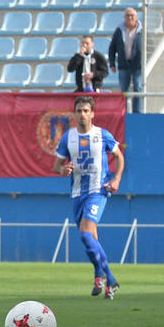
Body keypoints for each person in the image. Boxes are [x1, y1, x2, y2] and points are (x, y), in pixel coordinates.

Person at [52, 95, 124, 299]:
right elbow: (56, 165)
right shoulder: (68, 138)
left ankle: (110, 278)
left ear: (92, 113)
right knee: (90, 239)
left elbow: (119, 157)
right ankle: (98, 274)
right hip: (77, 193)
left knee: (85, 233)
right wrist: (62, 169)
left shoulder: (103, 135)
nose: (82, 114)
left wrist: (116, 179)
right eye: (79, 111)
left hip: (98, 191)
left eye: (86, 110)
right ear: (74, 114)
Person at [108, 8, 143, 113]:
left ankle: (137, 112)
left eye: (132, 15)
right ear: (124, 17)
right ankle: (125, 112)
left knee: (138, 88)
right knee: (124, 90)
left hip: (138, 65)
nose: (130, 17)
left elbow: (150, 48)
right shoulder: (119, 31)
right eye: (128, 15)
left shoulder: (142, 31)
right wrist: (112, 63)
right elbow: (112, 48)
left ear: (136, 17)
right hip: (124, 65)